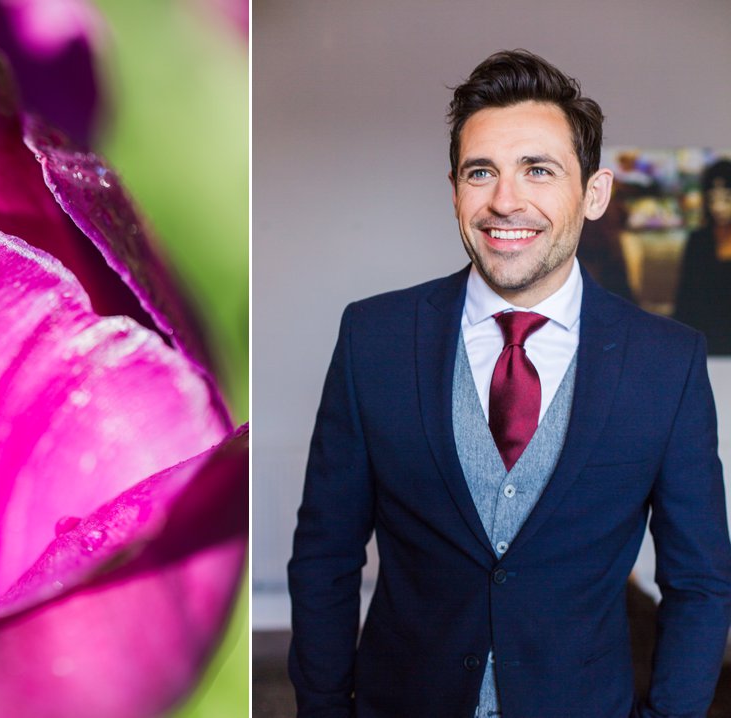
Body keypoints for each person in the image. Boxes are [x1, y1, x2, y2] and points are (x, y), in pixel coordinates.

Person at [287, 49, 731, 718]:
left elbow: (700, 582)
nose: (505, 200)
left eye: (539, 170)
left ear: (596, 192)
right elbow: (324, 556)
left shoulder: (665, 362)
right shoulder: (372, 338)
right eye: (481, 172)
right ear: (454, 188)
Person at [673, 158, 731, 354]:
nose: (719, 207)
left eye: (726, 199)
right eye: (713, 199)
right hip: (705, 343)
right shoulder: (698, 241)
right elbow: (686, 299)